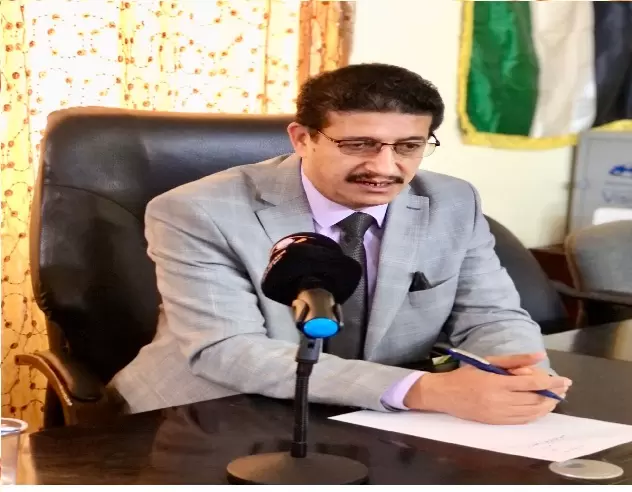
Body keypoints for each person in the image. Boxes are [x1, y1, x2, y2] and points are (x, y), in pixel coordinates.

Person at [109, 63, 572, 425]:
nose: (385, 168)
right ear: (302, 138)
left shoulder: (452, 202)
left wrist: (522, 373)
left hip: (376, 414)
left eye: (408, 146)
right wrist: (423, 390)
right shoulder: (197, 211)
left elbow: (491, 315)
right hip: (212, 409)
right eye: (359, 144)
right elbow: (229, 351)